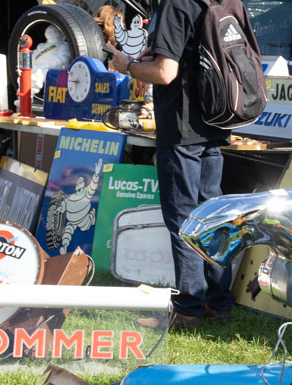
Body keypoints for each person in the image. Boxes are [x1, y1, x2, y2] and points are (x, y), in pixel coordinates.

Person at [108, 3, 235, 330]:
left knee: (184, 221)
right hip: (216, 120)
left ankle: (187, 309)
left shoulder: (175, 4)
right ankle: (219, 304)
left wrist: (127, 66)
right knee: (212, 217)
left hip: (182, 128)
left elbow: (165, 73)